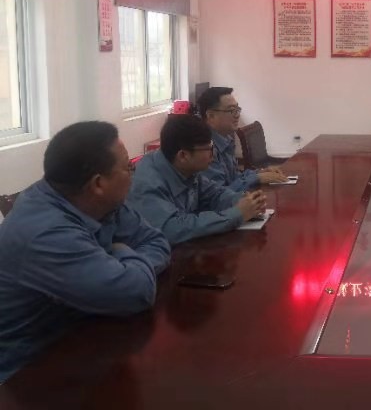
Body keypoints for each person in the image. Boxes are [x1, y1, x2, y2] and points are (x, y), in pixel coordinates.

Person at [0, 121, 170, 382]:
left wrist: (121, 266)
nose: (133, 173)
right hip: (26, 374)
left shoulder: (99, 201)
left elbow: (156, 241)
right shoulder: (45, 233)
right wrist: (122, 254)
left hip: (84, 335)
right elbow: (135, 293)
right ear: (98, 183)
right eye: (128, 167)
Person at [127, 114, 269, 245]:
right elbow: (173, 229)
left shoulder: (186, 168)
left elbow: (214, 194)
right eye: (209, 149)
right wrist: (236, 215)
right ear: (183, 155)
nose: (213, 155)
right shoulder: (147, 182)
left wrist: (244, 201)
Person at [196, 87, 287, 191]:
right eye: (231, 110)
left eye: (237, 109)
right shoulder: (204, 147)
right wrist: (256, 178)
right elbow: (219, 193)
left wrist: (259, 173)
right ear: (211, 115)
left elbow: (234, 177)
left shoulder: (226, 139)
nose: (237, 115)